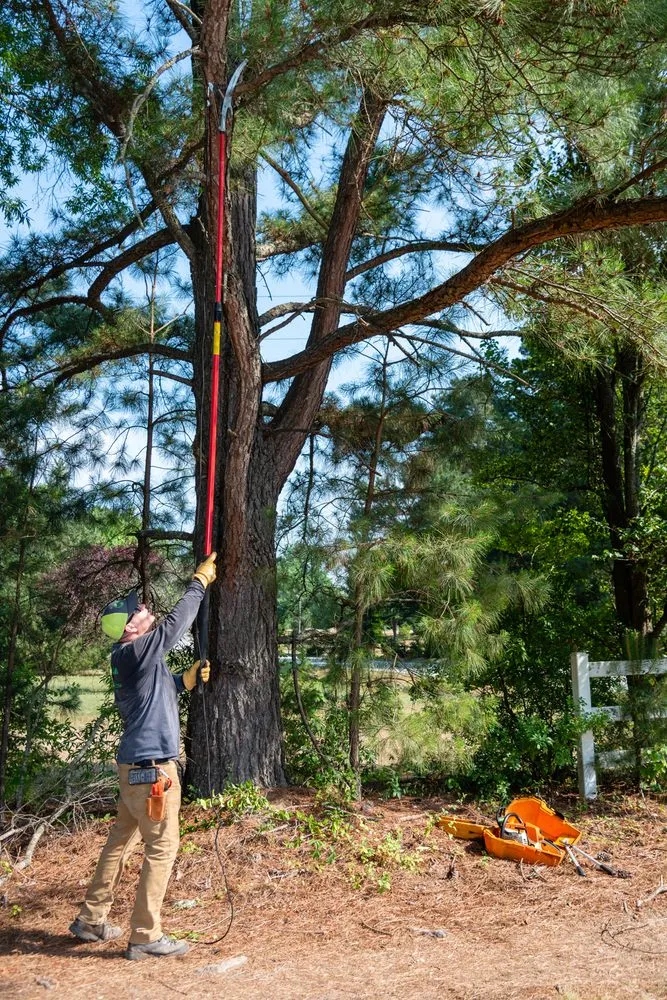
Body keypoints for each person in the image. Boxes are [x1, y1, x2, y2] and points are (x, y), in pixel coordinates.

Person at [69, 552, 217, 961]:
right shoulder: (134, 652)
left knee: (119, 843)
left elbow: (160, 687)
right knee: (162, 849)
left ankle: (90, 920)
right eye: (138, 610)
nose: (145, 608)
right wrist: (198, 584)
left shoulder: (132, 658)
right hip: (152, 771)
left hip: (134, 769)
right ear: (129, 629)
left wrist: (185, 680)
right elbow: (173, 627)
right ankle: (145, 936)